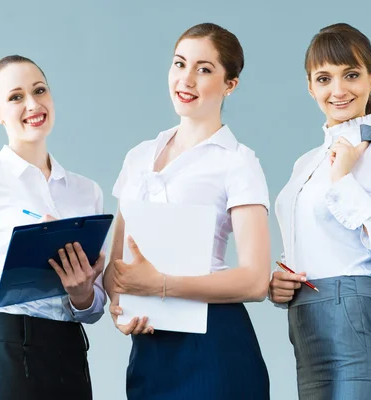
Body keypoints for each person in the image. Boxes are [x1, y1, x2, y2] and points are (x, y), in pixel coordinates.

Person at [103, 23, 271, 400]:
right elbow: (117, 266)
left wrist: (161, 285)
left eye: (204, 69)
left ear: (231, 84)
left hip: (216, 343)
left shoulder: (238, 162)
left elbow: (256, 280)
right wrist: (120, 307)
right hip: (150, 347)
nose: (186, 79)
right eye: (180, 64)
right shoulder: (139, 156)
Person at [269, 23, 371, 399]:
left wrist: (343, 181)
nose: (338, 90)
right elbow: (312, 245)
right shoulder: (305, 163)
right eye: (324, 78)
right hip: (305, 326)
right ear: (309, 86)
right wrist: (280, 282)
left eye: (351, 74)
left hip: (355, 323)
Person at [0, 55, 105, 400]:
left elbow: (93, 309)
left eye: (39, 90)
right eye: (16, 97)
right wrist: (23, 263)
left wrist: (82, 294)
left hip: (69, 349)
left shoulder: (87, 191)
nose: (33, 104)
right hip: (4, 345)